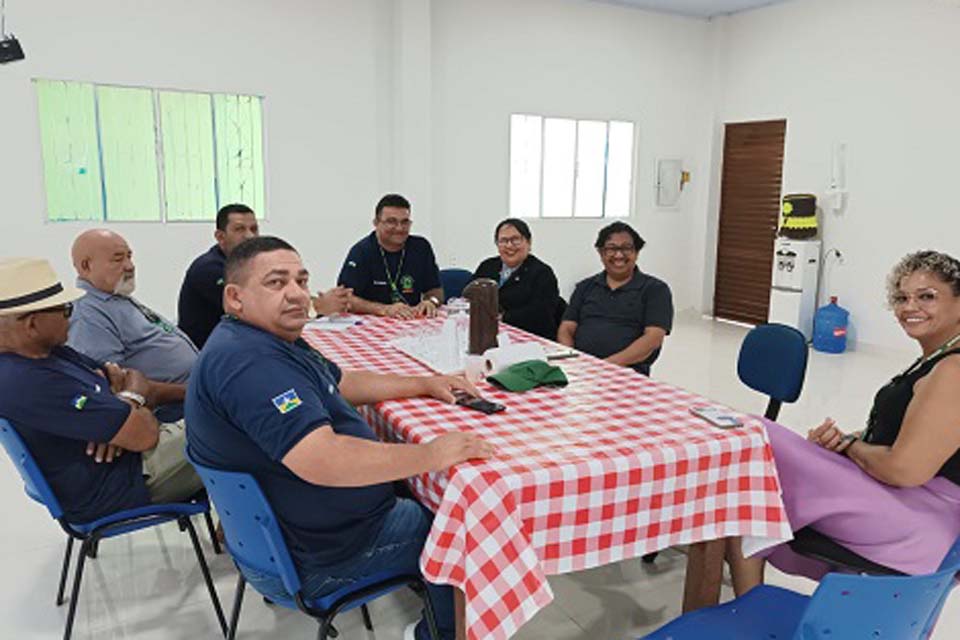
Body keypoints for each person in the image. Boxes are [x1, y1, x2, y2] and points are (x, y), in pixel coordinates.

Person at [186, 236, 494, 640]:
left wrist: (423, 383)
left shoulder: (267, 341)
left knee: (425, 487)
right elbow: (324, 459)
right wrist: (432, 453)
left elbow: (340, 382)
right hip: (322, 557)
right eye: (277, 283)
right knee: (462, 523)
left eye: (301, 280)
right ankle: (442, 633)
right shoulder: (251, 363)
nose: (297, 294)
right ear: (235, 297)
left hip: (294, 534)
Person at [727, 250, 960, 594]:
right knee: (757, 466)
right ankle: (747, 597)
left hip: (921, 514)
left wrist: (850, 447)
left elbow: (905, 470)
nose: (910, 307)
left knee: (757, 442)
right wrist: (846, 441)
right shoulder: (936, 360)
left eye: (927, 296)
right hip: (909, 500)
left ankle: (745, 607)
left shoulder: (953, 371)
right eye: (901, 297)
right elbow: (908, 437)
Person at [0, 258, 202, 524]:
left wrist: (123, 406)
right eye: (64, 310)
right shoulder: (28, 381)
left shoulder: (50, 354)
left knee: (222, 412)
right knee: (238, 423)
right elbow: (144, 435)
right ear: (32, 324)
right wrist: (127, 403)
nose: (70, 317)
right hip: (125, 482)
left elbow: (130, 377)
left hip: (125, 459)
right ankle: (251, 538)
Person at [178, 203, 351, 349]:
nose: (249, 235)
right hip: (208, 353)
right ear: (220, 237)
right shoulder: (208, 269)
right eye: (239, 229)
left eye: (254, 229)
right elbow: (262, 309)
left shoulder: (247, 265)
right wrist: (318, 307)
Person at [69, 229, 198, 421]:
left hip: (192, 394)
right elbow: (115, 384)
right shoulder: (88, 314)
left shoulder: (115, 298)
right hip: (173, 408)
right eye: (117, 259)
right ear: (86, 266)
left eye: (129, 257)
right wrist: (190, 392)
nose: (129, 266)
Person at [558, 221, 673, 375]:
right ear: (601, 253)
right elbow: (566, 329)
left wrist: (604, 366)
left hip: (628, 372)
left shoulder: (656, 290)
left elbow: (653, 339)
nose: (619, 255)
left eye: (626, 248)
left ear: (636, 252)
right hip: (580, 370)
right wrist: (574, 361)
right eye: (611, 248)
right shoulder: (585, 287)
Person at [337, 194, 443, 319]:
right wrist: (385, 309)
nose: (399, 228)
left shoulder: (421, 247)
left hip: (411, 322)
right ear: (376, 223)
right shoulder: (361, 251)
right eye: (391, 222)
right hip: (372, 324)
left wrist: (431, 302)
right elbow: (344, 298)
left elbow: (436, 290)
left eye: (405, 222)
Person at [471, 218, 561, 339]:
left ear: (528, 242)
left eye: (515, 240)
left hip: (529, 338)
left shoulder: (542, 273)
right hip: (489, 333)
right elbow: (470, 296)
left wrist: (502, 318)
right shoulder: (487, 266)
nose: (509, 246)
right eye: (503, 241)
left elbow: (541, 315)